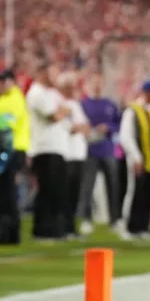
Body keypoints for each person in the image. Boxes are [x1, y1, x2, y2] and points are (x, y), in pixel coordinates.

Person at [26, 61, 71, 241]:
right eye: (53, 72)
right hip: (43, 147)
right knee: (47, 190)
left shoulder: (51, 93)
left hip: (57, 147)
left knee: (58, 191)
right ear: (43, 73)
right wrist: (62, 112)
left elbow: (66, 109)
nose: (56, 77)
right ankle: (42, 229)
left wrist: (62, 111)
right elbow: (55, 115)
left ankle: (55, 228)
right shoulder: (36, 92)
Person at [118, 79, 150, 239]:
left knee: (149, 193)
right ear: (145, 93)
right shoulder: (133, 111)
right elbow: (126, 137)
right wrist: (136, 157)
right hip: (138, 159)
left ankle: (143, 227)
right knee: (134, 192)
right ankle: (128, 226)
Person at [0, 69, 30, 244]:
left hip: (10, 149)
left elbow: (6, 125)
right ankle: (5, 231)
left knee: (7, 192)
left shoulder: (13, 99)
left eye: (3, 81)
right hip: (5, 148)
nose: (0, 85)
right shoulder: (1, 100)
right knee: (3, 191)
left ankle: (9, 232)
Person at [79, 74, 122, 231]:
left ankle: (115, 219)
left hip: (108, 149)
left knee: (113, 185)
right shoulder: (83, 104)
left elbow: (118, 124)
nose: (97, 86)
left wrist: (109, 128)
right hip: (89, 150)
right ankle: (86, 219)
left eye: (99, 83)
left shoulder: (110, 104)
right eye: (94, 83)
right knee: (87, 187)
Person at [59, 72, 92, 237]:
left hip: (79, 153)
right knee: (66, 192)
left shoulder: (76, 105)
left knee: (75, 193)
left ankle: (71, 226)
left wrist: (81, 127)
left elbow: (86, 127)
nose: (73, 89)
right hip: (68, 153)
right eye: (70, 86)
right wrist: (80, 127)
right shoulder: (61, 104)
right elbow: (69, 128)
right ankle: (64, 226)